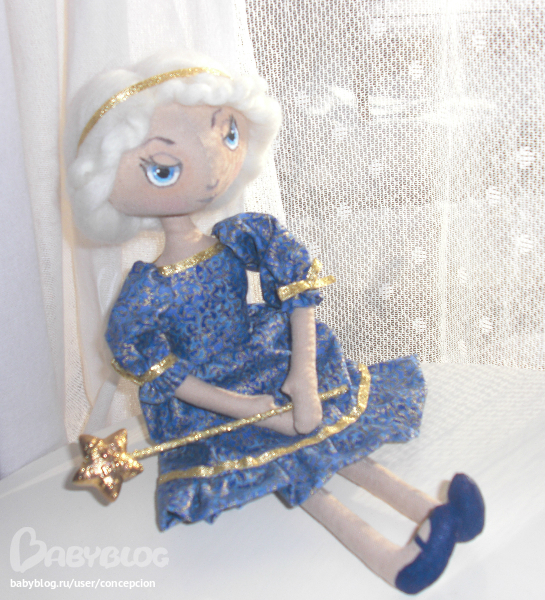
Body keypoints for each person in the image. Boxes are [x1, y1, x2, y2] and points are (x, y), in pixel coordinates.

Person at [65, 50, 484, 594]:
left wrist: (302, 372)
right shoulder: (147, 291)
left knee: (330, 435)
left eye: (228, 134)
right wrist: (248, 408)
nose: (212, 169)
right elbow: (157, 369)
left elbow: (297, 285)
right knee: (291, 465)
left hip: (266, 356)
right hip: (212, 397)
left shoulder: (240, 236)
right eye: (163, 168)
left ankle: (427, 508)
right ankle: (390, 559)